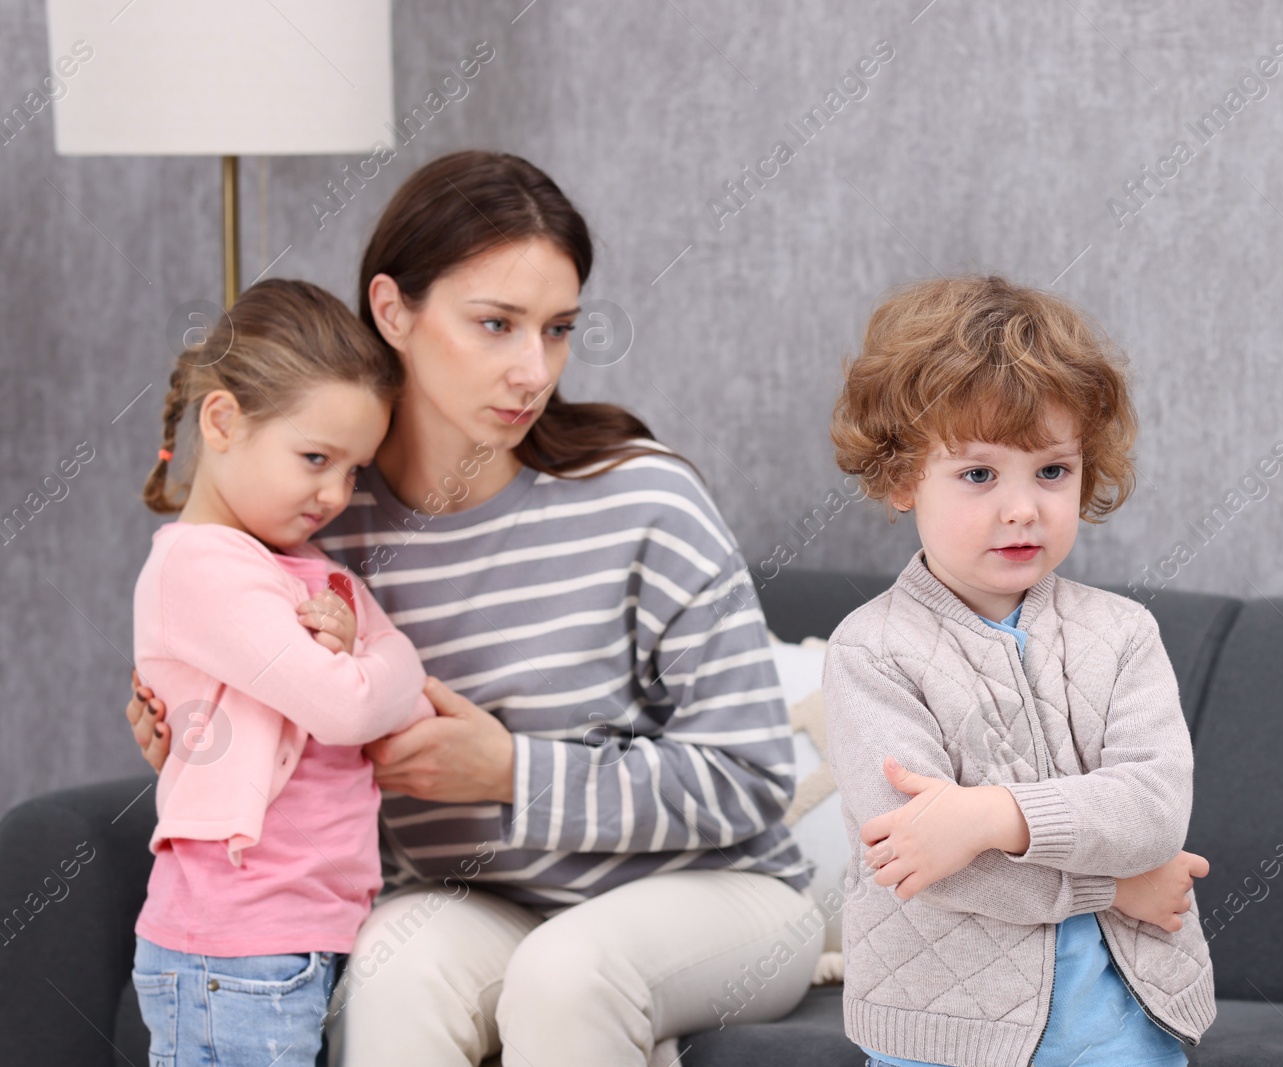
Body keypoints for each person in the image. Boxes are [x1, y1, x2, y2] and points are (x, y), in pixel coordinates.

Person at [127, 150, 821, 1067]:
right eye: (495, 324)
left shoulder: (642, 499)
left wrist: (511, 771)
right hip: (474, 899)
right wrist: (209, 735)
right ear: (393, 310)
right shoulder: (322, 518)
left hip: (720, 897)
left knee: (567, 973)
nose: (533, 369)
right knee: (394, 973)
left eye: (559, 328)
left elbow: (753, 777)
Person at [823, 274, 1217, 1067]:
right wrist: (1113, 887)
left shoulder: (1123, 632)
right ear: (902, 479)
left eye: (1051, 471)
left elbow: (1153, 810)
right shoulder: (870, 651)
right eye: (978, 474)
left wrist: (991, 817)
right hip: (941, 1036)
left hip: (1124, 1030)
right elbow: (925, 865)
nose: (1023, 508)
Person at [129, 278, 437, 1066]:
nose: (335, 494)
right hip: (234, 947)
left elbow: (409, 705)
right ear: (224, 420)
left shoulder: (304, 571)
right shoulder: (200, 568)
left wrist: (372, 665)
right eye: (314, 459)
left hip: (303, 932)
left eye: (353, 471)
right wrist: (370, 657)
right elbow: (349, 705)